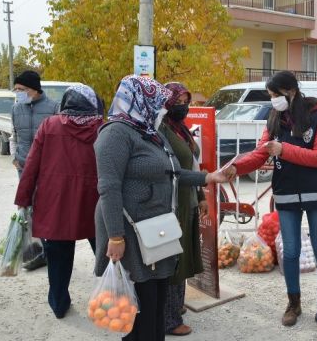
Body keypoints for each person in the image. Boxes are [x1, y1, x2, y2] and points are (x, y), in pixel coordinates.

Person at [94, 75, 229, 341]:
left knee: (155, 304)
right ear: (139, 101)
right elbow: (108, 188)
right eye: (159, 104)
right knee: (138, 310)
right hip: (131, 234)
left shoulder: (150, 133)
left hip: (156, 231)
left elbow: (173, 172)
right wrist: (116, 237)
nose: (163, 109)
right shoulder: (115, 134)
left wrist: (208, 178)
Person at [223, 71, 317, 327]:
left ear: (291, 91)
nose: (273, 100)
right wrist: (236, 167)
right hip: (285, 194)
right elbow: (261, 153)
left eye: (276, 95)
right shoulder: (274, 117)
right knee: (291, 251)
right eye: (271, 95)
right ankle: (293, 303)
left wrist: (284, 150)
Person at [14, 84, 103, 318]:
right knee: (105, 255)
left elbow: (31, 166)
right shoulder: (101, 128)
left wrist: (23, 199)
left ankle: (59, 304)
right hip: (93, 203)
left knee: (57, 260)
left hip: (55, 203)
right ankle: (112, 299)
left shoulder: (49, 125)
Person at [158, 82, 207, 336]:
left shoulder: (181, 130)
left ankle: (175, 306)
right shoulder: (160, 130)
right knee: (175, 261)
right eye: (178, 102)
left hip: (188, 200)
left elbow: (193, 165)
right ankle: (169, 319)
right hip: (173, 204)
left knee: (185, 256)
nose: (183, 107)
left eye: (186, 102)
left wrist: (201, 196)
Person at [10, 70, 58, 271]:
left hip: (45, 170)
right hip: (23, 167)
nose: (18, 93)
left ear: (33, 89)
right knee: (26, 208)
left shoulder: (54, 108)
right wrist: (14, 157)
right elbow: (13, 134)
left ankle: (48, 250)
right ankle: (35, 250)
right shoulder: (16, 108)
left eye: (21, 89)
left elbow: (58, 141)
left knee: (45, 209)